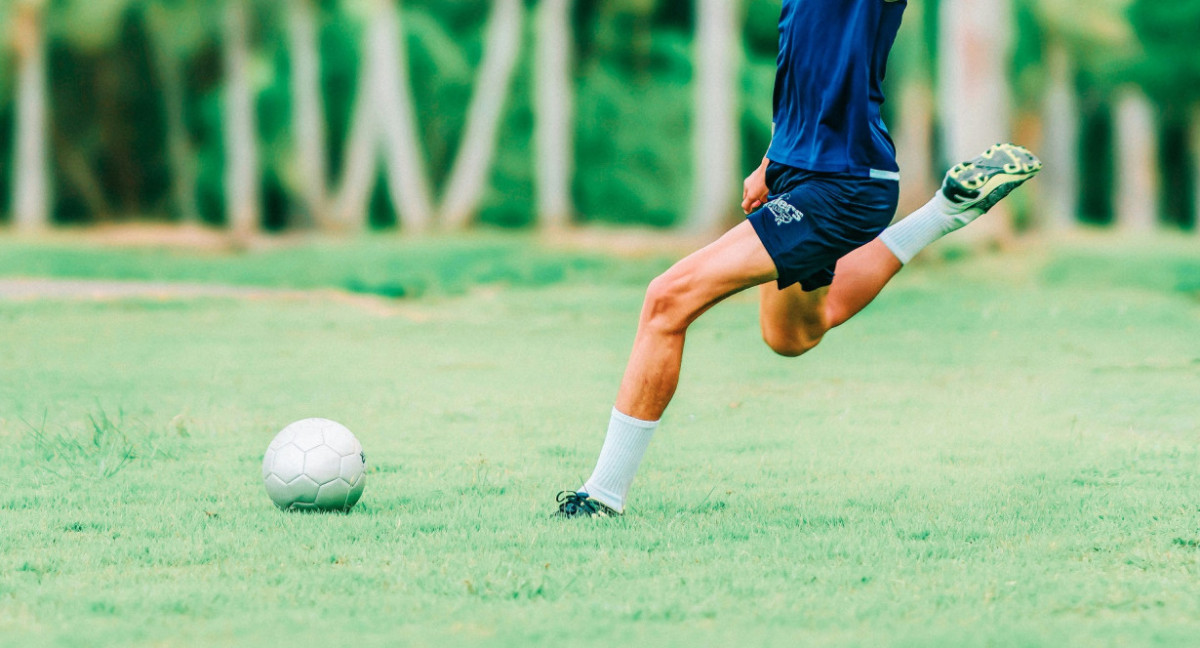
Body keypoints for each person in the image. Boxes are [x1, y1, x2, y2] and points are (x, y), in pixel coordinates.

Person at [554, 0, 1042, 518]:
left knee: (666, 299)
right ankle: (945, 212)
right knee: (790, 336)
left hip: (841, 185)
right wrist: (772, 160)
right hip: (801, 174)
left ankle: (601, 496)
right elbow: (803, 74)